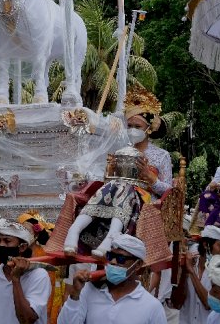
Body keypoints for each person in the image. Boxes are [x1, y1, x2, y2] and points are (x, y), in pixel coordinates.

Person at [64, 86, 172, 257]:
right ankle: (75, 230)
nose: (132, 130)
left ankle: (111, 237)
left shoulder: (161, 156)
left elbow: (170, 191)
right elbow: (108, 182)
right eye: (129, 125)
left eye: (137, 126)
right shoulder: (120, 150)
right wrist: (111, 171)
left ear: (148, 129)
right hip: (115, 196)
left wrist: (152, 179)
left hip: (145, 201)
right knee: (118, 185)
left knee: (126, 188)